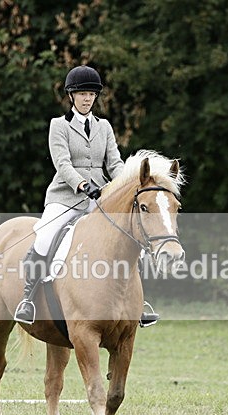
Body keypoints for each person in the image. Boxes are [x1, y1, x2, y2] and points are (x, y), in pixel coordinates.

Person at [14, 65, 159, 327]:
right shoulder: (58, 125)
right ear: (71, 96)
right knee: (45, 238)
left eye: (91, 94)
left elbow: (114, 163)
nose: (87, 98)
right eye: (81, 94)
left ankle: (139, 302)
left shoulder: (104, 127)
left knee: (129, 237)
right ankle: (28, 298)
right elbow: (62, 163)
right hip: (65, 197)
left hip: (101, 197)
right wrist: (82, 185)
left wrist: (125, 183)